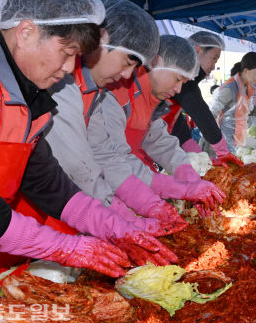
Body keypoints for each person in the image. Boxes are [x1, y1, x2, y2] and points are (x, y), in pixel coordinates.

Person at [0, 0, 177, 302]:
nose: (70, 67)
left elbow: (46, 181)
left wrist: (114, 226)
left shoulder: (25, 91)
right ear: (27, 31)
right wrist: (66, 247)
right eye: (66, 52)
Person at [45, 0, 186, 233]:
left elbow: (105, 155)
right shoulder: (62, 86)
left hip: (82, 207)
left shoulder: (95, 91)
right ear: (103, 38)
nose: (127, 75)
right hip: (51, 212)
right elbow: (78, 167)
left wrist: (146, 205)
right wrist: (119, 215)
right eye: (127, 62)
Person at [89, 35, 225, 216]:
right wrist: (177, 188)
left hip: (128, 185)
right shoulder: (114, 93)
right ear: (157, 62)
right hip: (99, 194)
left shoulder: (152, 95)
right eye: (177, 79)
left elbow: (159, 140)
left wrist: (189, 176)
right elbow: (115, 160)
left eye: (183, 84)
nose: (178, 90)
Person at [166, 31, 243, 167]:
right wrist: (223, 151)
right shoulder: (182, 79)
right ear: (197, 50)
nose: (214, 66)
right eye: (214, 58)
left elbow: (176, 122)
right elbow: (199, 111)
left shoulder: (186, 82)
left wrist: (192, 148)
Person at [210, 52, 256, 152]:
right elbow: (212, 114)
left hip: (240, 135)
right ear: (246, 71)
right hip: (227, 138)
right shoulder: (229, 88)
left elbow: (247, 110)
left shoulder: (248, 86)